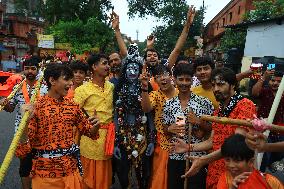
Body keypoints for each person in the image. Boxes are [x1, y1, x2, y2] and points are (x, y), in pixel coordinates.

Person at [15, 63, 100, 189]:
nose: (71, 83)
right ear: (52, 80)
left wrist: (96, 126)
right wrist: (25, 123)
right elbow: (23, 150)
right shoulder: (37, 107)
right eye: (66, 79)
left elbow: (91, 133)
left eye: (71, 79)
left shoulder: (72, 106)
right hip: (46, 176)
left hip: (71, 171)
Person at [171, 67, 256, 189]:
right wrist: (188, 147)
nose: (216, 89)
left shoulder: (245, 105)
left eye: (221, 84)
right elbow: (212, 141)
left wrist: (203, 160)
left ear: (232, 85)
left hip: (234, 171)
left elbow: (236, 146)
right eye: (214, 85)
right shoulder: (218, 112)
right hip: (214, 171)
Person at [163, 63, 214, 189]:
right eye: (181, 79)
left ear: (192, 80)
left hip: (197, 156)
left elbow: (213, 128)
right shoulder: (169, 104)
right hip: (176, 155)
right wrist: (169, 129)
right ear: (174, 80)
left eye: (188, 79)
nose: (184, 83)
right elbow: (165, 129)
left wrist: (199, 122)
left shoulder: (204, 102)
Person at [0, 56, 47, 189]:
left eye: (33, 68)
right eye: (27, 69)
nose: (30, 71)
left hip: (42, 131)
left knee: (43, 163)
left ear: (38, 69)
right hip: (22, 133)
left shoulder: (46, 86)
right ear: (23, 70)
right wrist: (5, 103)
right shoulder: (18, 87)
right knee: (24, 165)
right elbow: (11, 108)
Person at [113, 46, 155, 189]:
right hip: (123, 135)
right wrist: (116, 142)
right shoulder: (119, 89)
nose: (132, 71)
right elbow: (115, 115)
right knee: (123, 174)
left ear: (139, 71)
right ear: (124, 71)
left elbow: (149, 115)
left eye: (135, 69)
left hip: (141, 134)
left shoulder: (145, 87)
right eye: (129, 68)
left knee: (143, 173)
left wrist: (151, 141)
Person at [74, 54, 114, 189]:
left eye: (108, 63)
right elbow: (73, 115)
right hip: (90, 139)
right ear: (94, 67)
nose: (108, 66)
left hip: (108, 139)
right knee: (88, 179)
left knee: (105, 179)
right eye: (104, 63)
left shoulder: (111, 87)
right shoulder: (82, 90)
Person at [140, 64, 178, 189]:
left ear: (171, 76)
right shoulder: (155, 95)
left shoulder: (181, 94)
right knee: (159, 175)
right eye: (158, 76)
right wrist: (144, 89)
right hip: (162, 142)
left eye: (165, 74)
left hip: (180, 141)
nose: (163, 78)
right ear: (155, 81)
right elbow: (146, 108)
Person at [217, 134, 283, 189]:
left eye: (237, 161)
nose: (231, 165)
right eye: (227, 160)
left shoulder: (269, 181)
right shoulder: (225, 180)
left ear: (251, 162)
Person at [252, 70, 284, 171]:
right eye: (273, 80)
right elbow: (254, 93)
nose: (275, 83)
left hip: (280, 131)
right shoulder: (265, 91)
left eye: (279, 81)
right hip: (264, 131)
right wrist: (263, 77)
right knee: (262, 158)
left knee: (278, 160)